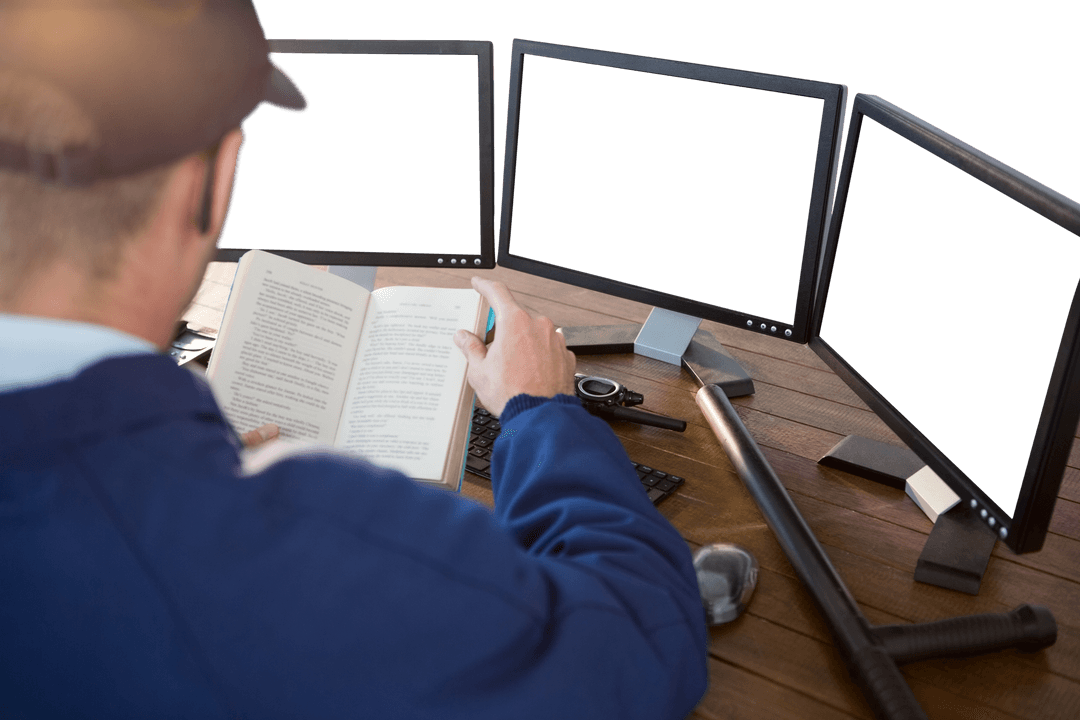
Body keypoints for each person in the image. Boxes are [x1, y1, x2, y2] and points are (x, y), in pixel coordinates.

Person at [0, 2, 708, 718]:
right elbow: (640, 648)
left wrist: (177, 475)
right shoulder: (283, 558)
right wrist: (544, 414)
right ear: (209, 185)